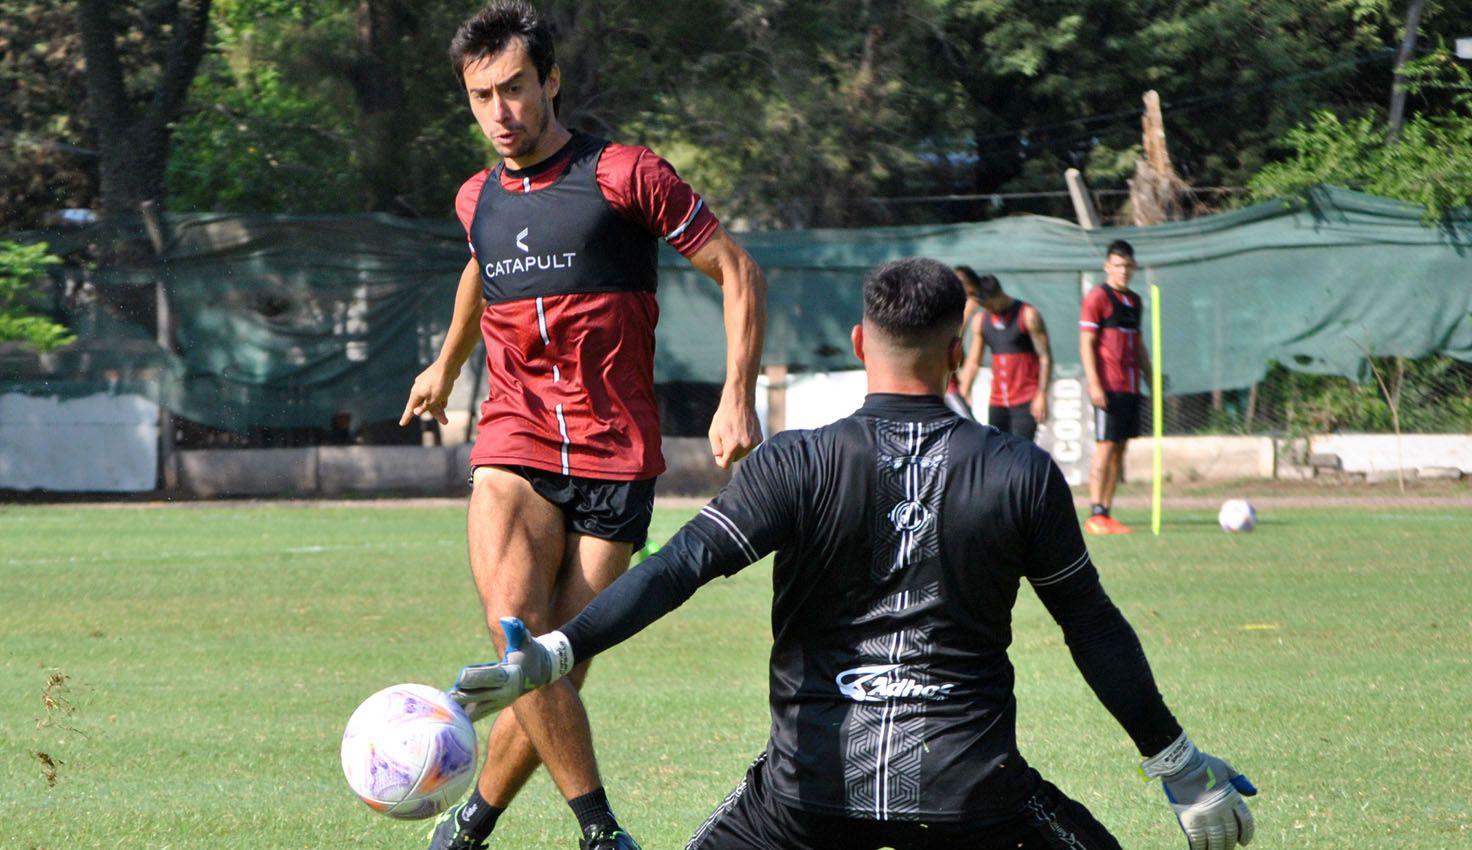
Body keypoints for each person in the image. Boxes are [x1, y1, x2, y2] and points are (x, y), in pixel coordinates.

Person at [457, 258, 1257, 850]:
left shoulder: (793, 462)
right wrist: (1180, 769)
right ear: (957, 351)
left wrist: (556, 651)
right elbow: (1093, 629)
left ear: (856, 342)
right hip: (974, 802)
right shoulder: (1022, 473)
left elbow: (675, 572)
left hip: (803, 802)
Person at [399, 3, 766, 849]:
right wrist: (448, 365)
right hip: (514, 440)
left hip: (616, 455)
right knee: (516, 633)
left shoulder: (624, 176)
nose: (500, 112)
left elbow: (736, 269)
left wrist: (736, 393)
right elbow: (480, 268)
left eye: (516, 89)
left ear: (551, 81)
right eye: (482, 95)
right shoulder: (475, 197)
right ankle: (601, 831)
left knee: (554, 664)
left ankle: (471, 824)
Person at [1079, 240, 1150, 535]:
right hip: (1107, 386)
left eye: (1127, 266)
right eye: (1117, 265)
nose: (1123, 271)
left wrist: (1150, 375)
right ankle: (1095, 511)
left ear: (1133, 267)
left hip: (1130, 387)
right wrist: (1095, 383)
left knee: (1121, 448)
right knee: (1105, 446)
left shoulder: (1135, 301)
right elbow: (1086, 343)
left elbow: (1139, 343)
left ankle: (1107, 512)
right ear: (1108, 267)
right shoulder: (1097, 298)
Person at [955, 272, 1052, 441]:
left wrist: (1041, 394)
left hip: (1026, 400)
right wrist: (964, 391)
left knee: (1022, 453)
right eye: (983, 306)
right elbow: (973, 362)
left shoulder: (1028, 315)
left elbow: (1045, 357)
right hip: (998, 401)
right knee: (998, 453)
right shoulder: (982, 320)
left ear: (999, 294)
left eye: (989, 304)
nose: (988, 309)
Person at [941, 266, 984, 419]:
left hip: (948, 384)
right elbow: (949, 340)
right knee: (969, 428)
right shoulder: (941, 307)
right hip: (939, 386)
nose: (975, 301)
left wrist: (966, 388)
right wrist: (967, 313)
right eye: (971, 294)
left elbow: (967, 359)